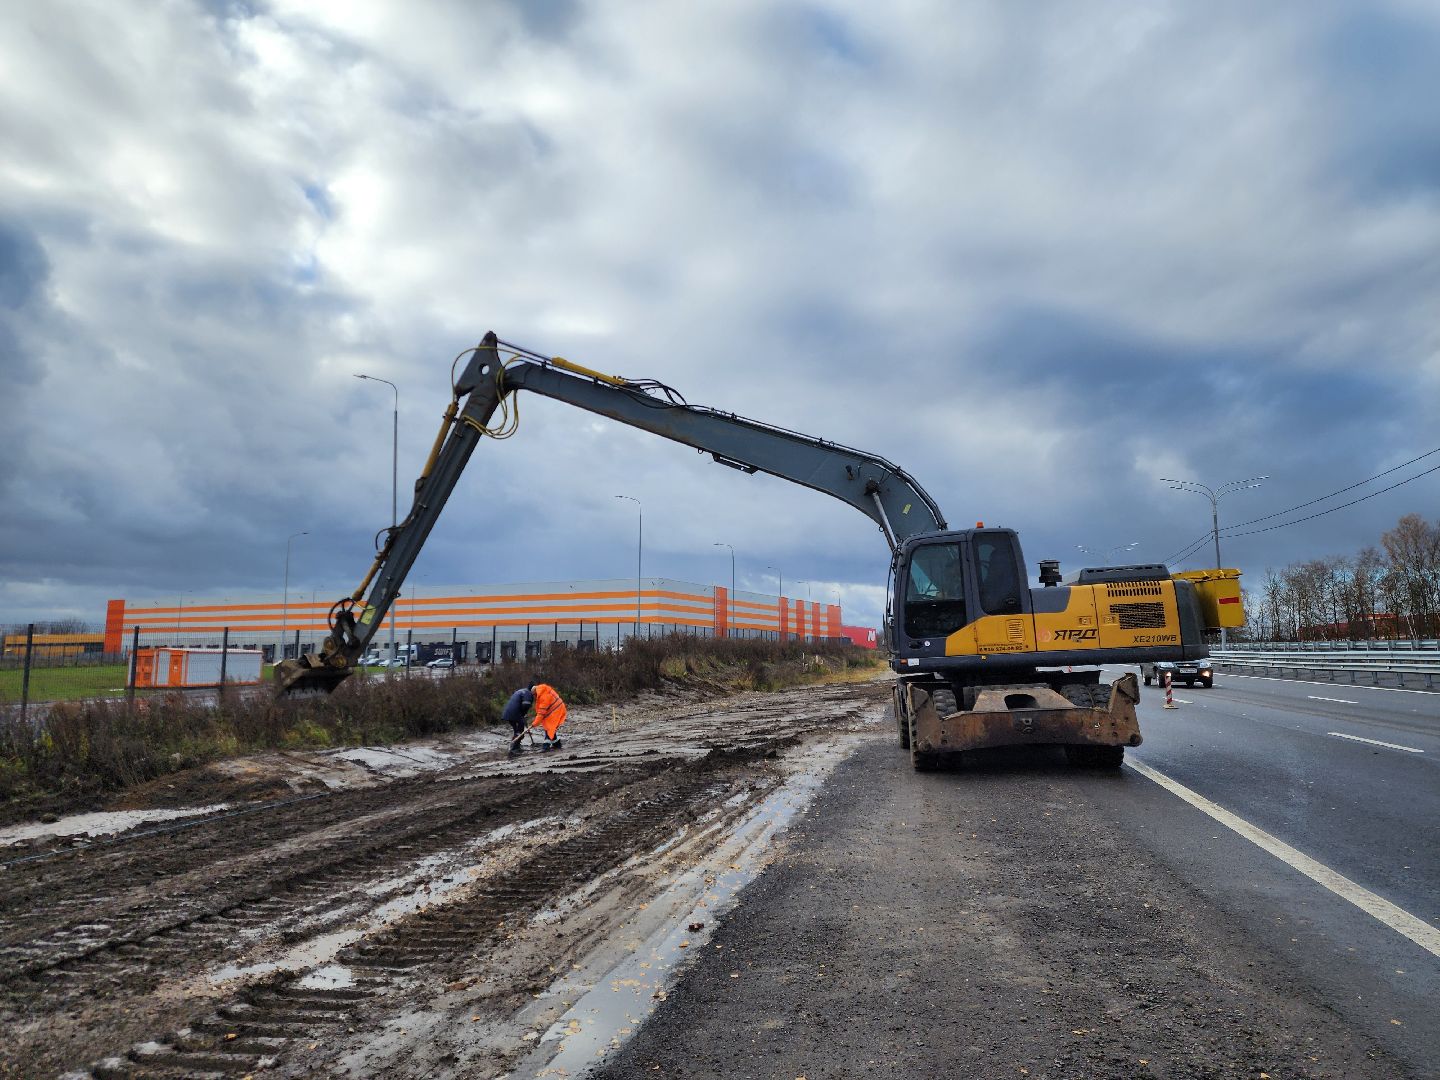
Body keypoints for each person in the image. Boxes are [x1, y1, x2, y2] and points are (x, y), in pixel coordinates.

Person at [531, 682, 568, 752]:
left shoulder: (543, 696)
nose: (534, 697)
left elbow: (541, 713)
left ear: (535, 692)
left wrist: (534, 723)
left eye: (534, 695)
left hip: (557, 710)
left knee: (549, 728)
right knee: (550, 727)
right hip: (556, 709)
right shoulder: (543, 691)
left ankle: (546, 747)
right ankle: (557, 744)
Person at [503, 683, 536, 756]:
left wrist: (523, 715)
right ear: (532, 690)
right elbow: (526, 704)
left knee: (517, 731)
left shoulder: (521, 691)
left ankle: (515, 746)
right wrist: (523, 714)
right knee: (520, 732)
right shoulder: (528, 693)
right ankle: (514, 748)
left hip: (508, 713)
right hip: (515, 713)